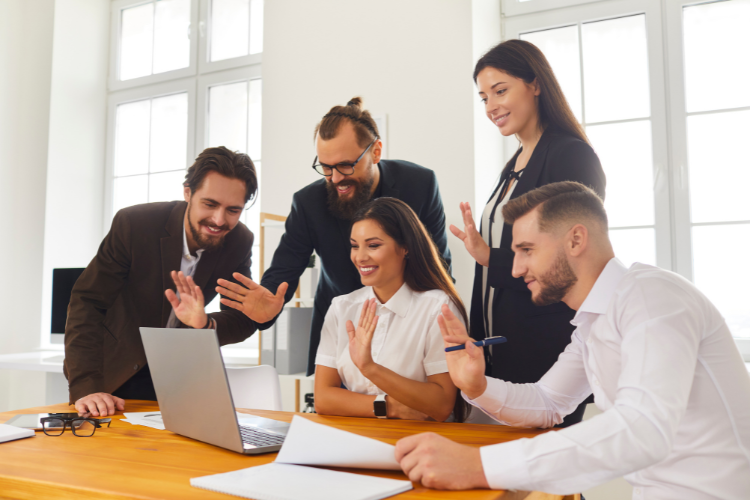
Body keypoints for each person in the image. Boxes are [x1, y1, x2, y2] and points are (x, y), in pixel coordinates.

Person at [395, 182, 750, 498]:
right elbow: (549, 403)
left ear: (576, 240)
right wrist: (476, 385)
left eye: (527, 250)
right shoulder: (594, 322)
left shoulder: (652, 297)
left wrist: (479, 465)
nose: (515, 269)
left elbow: (643, 430)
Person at [215, 97, 452, 375]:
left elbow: (439, 267)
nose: (335, 178)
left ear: (375, 151)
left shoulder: (419, 184)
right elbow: (285, 269)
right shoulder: (308, 202)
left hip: (409, 325)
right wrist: (268, 303)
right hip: (339, 330)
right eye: (325, 167)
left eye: (345, 165)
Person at [450, 39, 605, 426]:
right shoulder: (514, 164)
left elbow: (569, 259)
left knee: (545, 478)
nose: (491, 107)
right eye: (483, 97)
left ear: (535, 84)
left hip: (545, 349)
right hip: (501, 347)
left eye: (500, 91)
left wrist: (489, 257)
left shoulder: (570, 155)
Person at [64, 147, 265, 417]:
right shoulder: (135, 224)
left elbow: (241, 318)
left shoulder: (239, 241)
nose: (219, 220)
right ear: (187, 193)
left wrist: (204, 323)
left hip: (177, 378)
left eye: (233, 210)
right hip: (113, 371)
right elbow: (88, 302)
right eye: (210, 204)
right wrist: (86, 386)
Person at [314, 198, 465, 422]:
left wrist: (370, 367)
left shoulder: (437, 308)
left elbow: (441, 404)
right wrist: (388, 407)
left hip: (422, 442)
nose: (360, 257)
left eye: (373, 245)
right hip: (357, 437)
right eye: (355, 246)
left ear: (405, 247)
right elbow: (323, 399)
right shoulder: (342, 307)